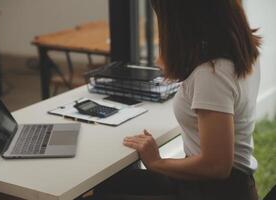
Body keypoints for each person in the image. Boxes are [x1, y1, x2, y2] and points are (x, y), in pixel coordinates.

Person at [90, 0, 261, 199]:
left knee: (105, 192)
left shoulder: (212, 73)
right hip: (226, 187)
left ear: (182, 21)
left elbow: (217, 166)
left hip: (214, 191)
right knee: (112, 184)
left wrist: (156, 162)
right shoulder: (240, 55)